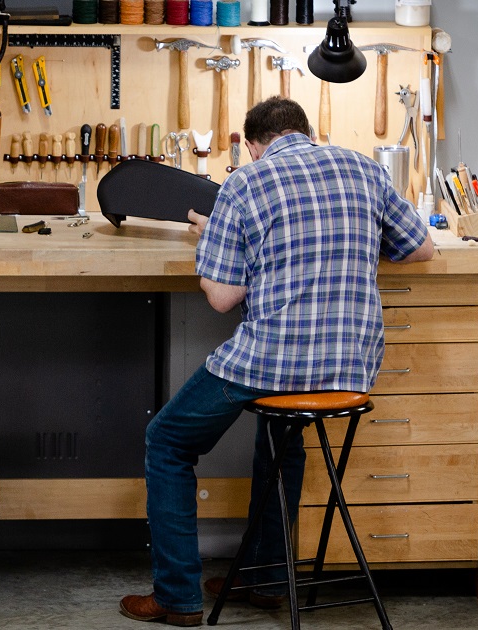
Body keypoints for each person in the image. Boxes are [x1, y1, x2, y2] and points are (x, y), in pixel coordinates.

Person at [119, 96, 435, 627]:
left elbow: (222, 298)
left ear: (252, 145)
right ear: (306, 132)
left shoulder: (245, 183)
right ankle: (265, 579)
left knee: (167, 441)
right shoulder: (365, 169)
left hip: (272, 360)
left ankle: (176, 597)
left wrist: (215, 238)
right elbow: (421, 248)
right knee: (281, 433)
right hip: (350, 367)